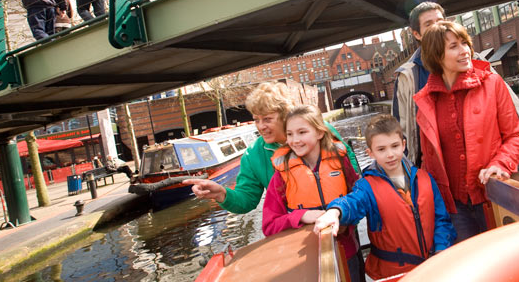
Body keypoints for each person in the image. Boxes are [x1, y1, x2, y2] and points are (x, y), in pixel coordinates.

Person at [393, 1, 519, 169]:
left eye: (440, 21)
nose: (438, 27)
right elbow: (402, 133)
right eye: (429, 24)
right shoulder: (409, 76)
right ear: (416, 34)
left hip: (487, 170)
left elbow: (514, 112)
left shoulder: (476, 63)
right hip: (437, 178)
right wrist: (409, 180)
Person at [414, 20, 519, 242]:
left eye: (464, 43)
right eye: (454, 46)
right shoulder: (426, 98)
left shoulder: (492, 83)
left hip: (491, 196)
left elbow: (514, 135)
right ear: (437, 56)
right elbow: (429, 159)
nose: (465, 50)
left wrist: (499, 164)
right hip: (454, 206)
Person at [314, 114, 455, 280]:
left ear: (403, 145)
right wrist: (335, 211)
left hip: (432, 266)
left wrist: (440, 250)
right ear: (370, 153)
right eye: (381, 149)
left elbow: (441, 220)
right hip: (395, 273)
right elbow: (353, 202)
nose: (390, 154)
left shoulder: (425, 179)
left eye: (394, 146)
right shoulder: (366, 187)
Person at [184, 82, 360, 215]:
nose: (260, 126)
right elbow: (246, 200)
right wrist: (222, 194)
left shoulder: (320, 130)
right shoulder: (254, 155)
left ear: (284, 116)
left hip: (341, 219)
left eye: (267, 119)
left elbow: (352, 170)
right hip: (295, 228)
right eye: (256, 119)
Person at [262, 105, 361, 280]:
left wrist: (344, 216)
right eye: (290, 134)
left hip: (347, 252)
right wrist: (302, 216)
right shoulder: (282, 174)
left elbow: (359, 200)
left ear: (320, 133)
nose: (295, 140)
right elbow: (269, 225)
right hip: (307, 261)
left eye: (302, 132)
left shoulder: (340, 161)